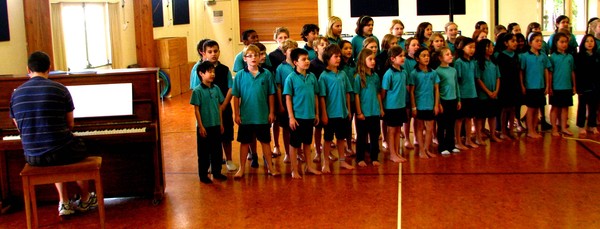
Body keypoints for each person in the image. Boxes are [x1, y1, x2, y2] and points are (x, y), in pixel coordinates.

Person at [10, 51, 97, 216]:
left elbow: (19, 127)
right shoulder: (60, 89)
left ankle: (64, 202)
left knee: (54, 148)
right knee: (74, 148)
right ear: (49, 68)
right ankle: (86, 199)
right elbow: (70, 124)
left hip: (32, 156)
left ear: (28, 69)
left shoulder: (16, 94)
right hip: (60, 150)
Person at [190, 40, 238, 171]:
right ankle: (213, 162)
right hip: (208, 111)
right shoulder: (199, 70)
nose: (213, 54)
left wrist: (224, 105)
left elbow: (230, 87)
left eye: (215, 51)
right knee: (210, 138)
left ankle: (228, 159)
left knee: (226, 134)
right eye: (210, 52)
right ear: (203, 53)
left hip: (224, 108)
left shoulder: (224, 70)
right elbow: (195, 90)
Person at [232, 44, 278, 178]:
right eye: (249, 56)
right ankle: (241, 169)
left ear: (260, 57)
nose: (253, 58)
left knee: (265, 142)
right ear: (244, 59)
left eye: (256, 55)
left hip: (262, 116)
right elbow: (236, 96)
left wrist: (271, 112)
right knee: (244, 143)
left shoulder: (267, 74)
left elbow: (271, 94)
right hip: (246, 116)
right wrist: (237, 113)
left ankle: (270, 167)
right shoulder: (240, 75)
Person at [284, 48, 321, 178]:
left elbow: (316, 95)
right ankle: (294, 170)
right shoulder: (291, 78)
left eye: (308, 59)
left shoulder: (312, 77)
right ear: (295, 62)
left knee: (307, 143)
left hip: (309, 116)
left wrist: (316, 114)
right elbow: (288, 98)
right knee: (294, 144)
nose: (307, 62)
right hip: (297, 117)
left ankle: (309, 166)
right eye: (303, 59)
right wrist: (291, 117)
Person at [318, 44, 356, 172]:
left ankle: (342, 161)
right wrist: (324, 113)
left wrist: (348, 110)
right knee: (328, 139)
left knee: (341, 138)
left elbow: (347, 93)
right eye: (336, 56)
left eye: (339, 56)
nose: (339, 59)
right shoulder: (323, 76)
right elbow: (322, 96)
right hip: (330, 113)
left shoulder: (343, 74)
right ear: (328, 58)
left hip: (342, 113)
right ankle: (326, 163)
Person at [190, 61, 228, 184]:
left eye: (213, 72)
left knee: (217, 150)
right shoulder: (197, 91)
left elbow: (219, 107)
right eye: (209, 72)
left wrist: (221, 123)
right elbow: (196, 110)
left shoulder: (216, 89)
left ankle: (216, 172)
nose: (212, 74)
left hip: (216, 125)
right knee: (204, 152)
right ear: (201, 74)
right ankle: (203, 175)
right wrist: (201, 126)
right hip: (204, 127)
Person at [353, 48, 384, 167]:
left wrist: (380, 108)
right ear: (363, 61)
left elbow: (378, 94)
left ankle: (374, 157)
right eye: (370, 59)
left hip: (374, 112)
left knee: (375, 136)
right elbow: (356, 95)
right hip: (364, 113)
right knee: (361, 137)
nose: (373, 61)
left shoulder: (375, 76)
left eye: (374, 59)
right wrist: (359, 112)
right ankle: (359, 158)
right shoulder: (358, 78)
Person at [408, 48, 439, 158]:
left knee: (430, 128)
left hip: (430, 104)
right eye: (423, 56)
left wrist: (436, 105)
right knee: (420, 128)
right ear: (417, 58)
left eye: (428, 56)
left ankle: (427, 149)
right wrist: (413, 107)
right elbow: (411, 91)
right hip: (419, 105)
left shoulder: (433, 72)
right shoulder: (414, 73)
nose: (426, 58)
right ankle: (421, 150)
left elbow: (436, 89)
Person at [520, 32, 552, 138]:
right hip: (530, 86)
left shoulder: (543, 56)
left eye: (541, 41)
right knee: (531, 109)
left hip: (540, 86)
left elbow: (546, 70)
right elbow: (521, 72)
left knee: (537, 108)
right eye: (537, 41)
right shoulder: (524, 56)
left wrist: (547, 85)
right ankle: (530, 130)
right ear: (530, 43)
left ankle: (534, 128)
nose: (539, 43)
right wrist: (522, 85)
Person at [381, 46, 409, 162]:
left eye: (404, 56)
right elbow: (384, 92)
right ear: (393, 59)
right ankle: (392, 154)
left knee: (398, 130)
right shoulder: (389, 74)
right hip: (391, 107)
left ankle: (397, 152)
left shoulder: (404, 72)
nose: (403, 58)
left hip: (401, 106)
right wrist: (383, 107)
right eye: (400, 56)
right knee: (392, 131)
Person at [474, 39, 502, 143]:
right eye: (488, 47)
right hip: (483, 95)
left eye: (492, 46)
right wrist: (488, 92)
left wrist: (496, 91)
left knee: (492, 115)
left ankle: (493, 134)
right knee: (480, 116)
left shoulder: (494, 62)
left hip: (494, 93)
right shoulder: (478, 63)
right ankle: (478, 136)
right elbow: (478, 79)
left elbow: (498, 77)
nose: (491, 49)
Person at [274, 39, 298, 163]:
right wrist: (280, 104)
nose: (293, 52)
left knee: (299, 129)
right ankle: (288, 153)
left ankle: (299, 152)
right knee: (287, 129)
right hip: (286, 102)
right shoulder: (280, 68)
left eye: (295, 49)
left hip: (299, 103)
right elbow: (278, 87)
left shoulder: (299, 65)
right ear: (284, 52)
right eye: (290, 50)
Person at [548, 32, 576, 136]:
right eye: (562, 42)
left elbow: (572, 72)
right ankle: (554, 128)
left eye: (566, 42)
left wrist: (574, 86)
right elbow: (550, 73)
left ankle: (564, 127)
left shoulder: (570, 57)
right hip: (556, 87)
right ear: (556, 43)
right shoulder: (552, 57)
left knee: (565, 108)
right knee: (555, 108)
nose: (564, 44)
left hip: (567, 86)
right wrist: (550, 87)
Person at [495, 33, 522, 139]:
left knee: (513, 108)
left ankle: (511, 129)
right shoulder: (500, 56)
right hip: (504, 86)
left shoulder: (516, 55)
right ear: (506, 43)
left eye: (516, 41)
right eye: (512, 41)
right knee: (504, 109)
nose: (515, 43)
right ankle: (502, 130)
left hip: (514, 85)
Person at [454, 37, 479, 149]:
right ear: (462, 48)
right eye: (470, 47)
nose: (472, 49)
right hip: (462, 95)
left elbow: (474, 78)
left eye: (474, 47)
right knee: (460, 119)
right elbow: (458, 81)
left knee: (469, 118)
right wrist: (458, 98)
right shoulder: (458, 62)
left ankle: (468, 139)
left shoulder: (473, 62)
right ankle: (458, 141)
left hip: (472, 94)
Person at [435, 47, 461, 155]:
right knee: (442, 125)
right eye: (447, 54)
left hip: (453, 100)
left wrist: (458, 99)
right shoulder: (437, 71)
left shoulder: (453, 70)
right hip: (443, 101)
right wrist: (439, 103)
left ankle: (451, 145)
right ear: (440, 58)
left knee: (451, 124)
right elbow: (437, 89)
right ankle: (442, 146)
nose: (450, 56)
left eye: (451, 54)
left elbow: (456, 85)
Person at [308, 36, 330, 162]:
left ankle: (327, 152)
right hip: (318, 98)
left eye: (326, 44)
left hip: (329, 99)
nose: (325, 46)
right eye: (322, 44)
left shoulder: (329, 63)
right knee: (318, 127)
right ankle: (317, 150)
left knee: (329, 126)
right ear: (316, 48)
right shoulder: (312, 64)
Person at [575, 34, 600, 135]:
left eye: (592, 41)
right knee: (582, 106)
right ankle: (581, 125)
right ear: (583, 43)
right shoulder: (579, 56)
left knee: (593, 106)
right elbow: (578, 73)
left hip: (595, 85)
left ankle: (592, 125)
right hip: (583, 85)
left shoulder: (597, 56)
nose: (590, 43)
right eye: (587, 41)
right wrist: (578, 87)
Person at [340, 40, 357, 155]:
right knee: (345, 124)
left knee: (353, 122)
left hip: (354, 98)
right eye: (345, 48)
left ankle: (352, 145)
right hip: (343, 99)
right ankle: (345, 147)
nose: (349, 50)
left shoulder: (354, 65)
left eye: (350, 48)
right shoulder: (339, 67)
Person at [402, 37, 420, 149]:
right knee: (407, 117)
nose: (416, 47)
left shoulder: (419, 59)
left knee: (417, 117)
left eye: (417, 45)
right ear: (408, 47)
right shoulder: (405, 61)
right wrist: (410, 91)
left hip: (419, 92)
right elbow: (407, 77)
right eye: (413, 45)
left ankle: (417, 138)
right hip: (408, 92)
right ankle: (407, 138)